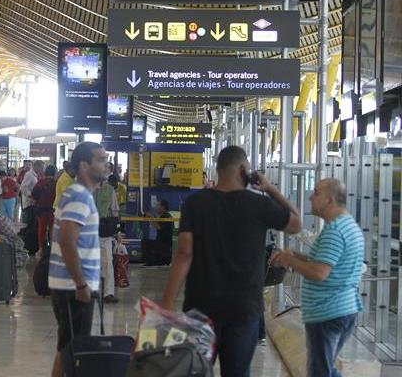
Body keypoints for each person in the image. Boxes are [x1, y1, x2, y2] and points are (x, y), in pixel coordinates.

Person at [160, 146, 302, 377]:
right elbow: (296, 223)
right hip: (243, 310)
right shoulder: (259, 204)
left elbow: (184, 254)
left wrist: (167, 303)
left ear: (218, 170)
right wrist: (269, 188)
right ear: (244, 170)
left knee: (196, 371)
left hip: (200, 308)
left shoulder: (195, 203)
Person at [270, 179, 363, 377]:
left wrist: (289, 260)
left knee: (319, 372)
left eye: (316, 192)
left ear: (329, 200)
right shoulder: (346, 225)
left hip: (328, 312)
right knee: (325, 369)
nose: (310, 197)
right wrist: (295, 256)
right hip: (340, 309)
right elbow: (323, 263)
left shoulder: (335, 232)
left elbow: (319, 273)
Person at [48, 142, 108, 377]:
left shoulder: (78, 194)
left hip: (69, 284)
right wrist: (81, 284)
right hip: (72, 287)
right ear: (84, 165)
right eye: (101, 160)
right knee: (74, 351)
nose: (106, 165)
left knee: (68, 348)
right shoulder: (79, 196)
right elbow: (67, 241)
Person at [93, 169, 120, 304]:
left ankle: (108, 293)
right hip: (88, 231)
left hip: (104, 232)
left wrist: (116, 231)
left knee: (108, 262)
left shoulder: (110, 190)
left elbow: (115, 211)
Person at [31, 164, 57, 258]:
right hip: (52, 210)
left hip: (41, 209)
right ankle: (52, 250)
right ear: (54, 173)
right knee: (52, 229)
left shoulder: (41, 182)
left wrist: (38, 200)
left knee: (41, 229)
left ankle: (41, 249)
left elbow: (33, 193)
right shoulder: (56, 183)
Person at [144, 199, 173, 266]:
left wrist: (150, 218)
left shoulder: (166, 216)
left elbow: (158, 226)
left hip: (164, 246)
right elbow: (157, 224)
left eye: (157, 205)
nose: (156, 207)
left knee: (145, 242)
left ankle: (150, 262)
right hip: (163, 245)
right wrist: (151, 218)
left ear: (162, 207)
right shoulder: (165, 216)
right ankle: (154, 261)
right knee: (149, 242)